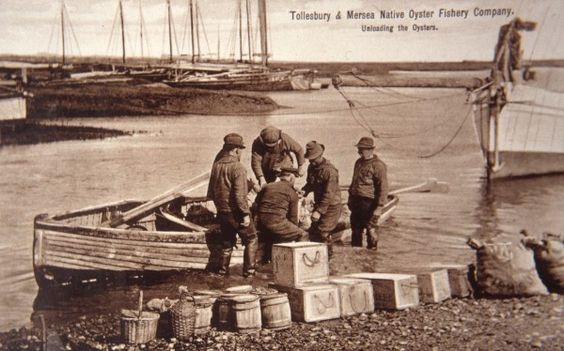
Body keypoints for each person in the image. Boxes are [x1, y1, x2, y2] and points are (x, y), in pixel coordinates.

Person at [206, 133, 258, 277]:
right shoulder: (238, 167)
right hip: (236, 212)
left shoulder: (216, 166)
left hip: (222, 211)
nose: (241, 152)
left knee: (227, 243)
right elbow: (240, 195)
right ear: (236, 150)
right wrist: (246, 214)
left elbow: (211, 191)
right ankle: (249, 273)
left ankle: (222, 272)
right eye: (240, 149)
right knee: (252, 239)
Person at [255, 167, 309, 262]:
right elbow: (293, 218)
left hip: (261, 222)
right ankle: (301, 263)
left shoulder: (268, 186)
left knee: (268, 237)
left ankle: (260, 264)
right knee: (303, 234)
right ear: (292, 178)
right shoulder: (292, 193)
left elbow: (256, 204)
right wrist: (293, 230)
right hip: (276, 221)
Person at [301, 141, 342, 257]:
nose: (312, 161)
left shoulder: (330, 171)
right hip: (319, 204)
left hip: (332, 206)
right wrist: (304, 191)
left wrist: (318, 212)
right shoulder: (312, 167)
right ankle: (316, 255)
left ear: (320, 155)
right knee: (313, 232)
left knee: (323, 232)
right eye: (310, 159)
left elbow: (329, 194)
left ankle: (328, 258)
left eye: (314, 159)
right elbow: (310, 184)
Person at [348, 136, 388, 250]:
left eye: (362, 149)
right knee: (355, 231)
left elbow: (383, 187)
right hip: (356, 202)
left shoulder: (378, 165)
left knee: (371, 231)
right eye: (359, 149)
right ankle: (357, 257)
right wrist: (350, 200)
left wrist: (379, 207)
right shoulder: (358, 162)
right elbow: (354, 182)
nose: (359, 152)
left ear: (371, 150)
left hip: (369, 203)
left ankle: (371, 260)